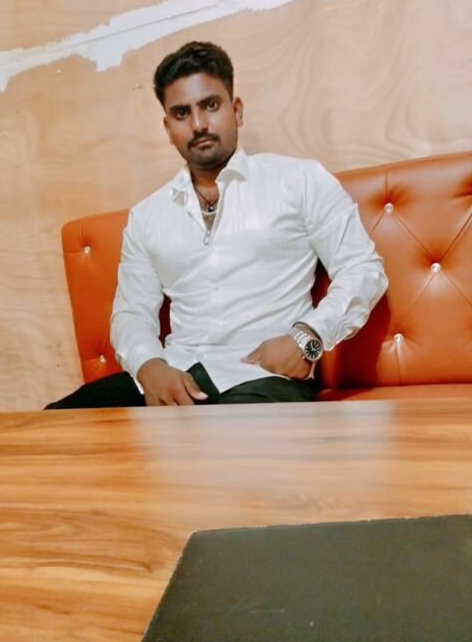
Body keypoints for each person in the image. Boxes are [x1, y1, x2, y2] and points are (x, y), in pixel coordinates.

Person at [46, 41, 388, 409]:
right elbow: (131, 312)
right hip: (173, 376)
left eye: (210, 105)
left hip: (262, 379)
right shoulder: (147, 217)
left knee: (223, 440)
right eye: (182, 113)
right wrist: (149, 366)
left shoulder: (299, 181)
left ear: (236, 110)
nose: (198, 124)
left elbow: (362, 269)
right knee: (55, 425)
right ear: (168, 128)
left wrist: (308, 337)